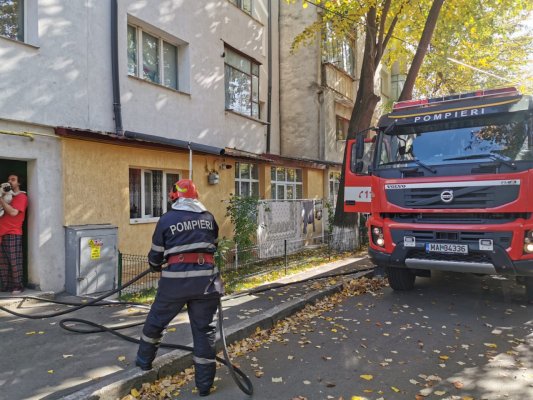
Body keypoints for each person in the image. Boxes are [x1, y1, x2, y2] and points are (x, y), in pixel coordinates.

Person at [136, 179, 222, 397]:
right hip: (206, 283)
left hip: (175, 283)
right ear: (196, 196)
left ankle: (144, 363)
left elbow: (156, 253)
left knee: (156, 321)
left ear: (174, 196)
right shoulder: (208, 218)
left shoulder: (167, 219)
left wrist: (155, 265)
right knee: (205, 332)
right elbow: (214, 245)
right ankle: (204, 386)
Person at [0, 173, 28, 294]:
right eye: (8, 179)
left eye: (13, 179)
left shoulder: (21, 197)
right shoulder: (6, 195)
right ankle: (6, 286)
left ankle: (18, 286)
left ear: (19, 183)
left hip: (13, 232)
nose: (10, 181)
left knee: (14, 261)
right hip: (2, 233)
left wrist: (0, 199)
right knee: (3, 263)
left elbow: (13, 213)